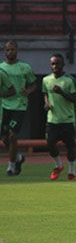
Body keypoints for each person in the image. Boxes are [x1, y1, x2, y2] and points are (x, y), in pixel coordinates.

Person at [1, 40, 36, 177]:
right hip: (4, 106)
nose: (10, 52)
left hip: (19, 105)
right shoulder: (1, 68)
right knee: (5, 139)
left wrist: (28, 90)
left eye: (12, 50)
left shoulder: (25, 67)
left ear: (17, 50)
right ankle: (18, 157)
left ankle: (10, 167)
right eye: (7, 50)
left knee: (12, 135)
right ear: (4, 51)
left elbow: (33, 84)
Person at [42, 53, 76, 181]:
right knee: (50, 143)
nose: (55, 66)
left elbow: (75, 98)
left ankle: (72, 171)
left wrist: (62, 92)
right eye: (53, 64)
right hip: (52, 120)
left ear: (63, 64)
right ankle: (58, 165)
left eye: (57, 63)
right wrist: (46, 103)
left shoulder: (69, 80)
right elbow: (45, 93)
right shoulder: (46, 80)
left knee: (71, 147)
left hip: (67, 119)